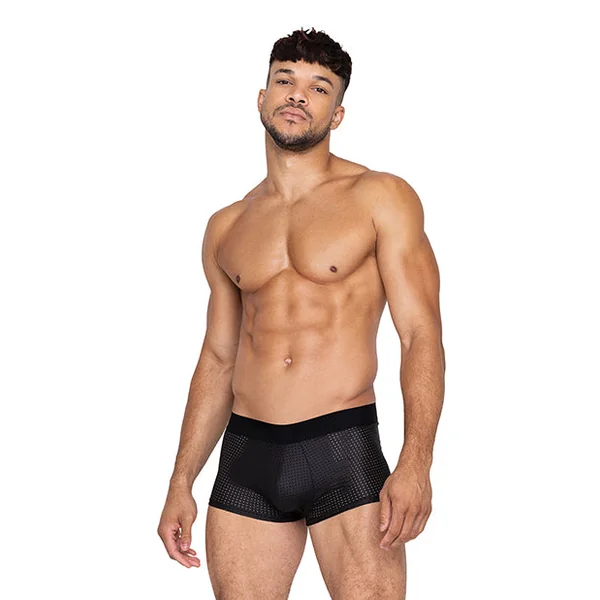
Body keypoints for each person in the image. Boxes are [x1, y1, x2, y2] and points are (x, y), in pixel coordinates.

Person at [158, 26, 445, 599]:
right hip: (246, 456)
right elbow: (218, 357)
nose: (297, 94)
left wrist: (416, 462)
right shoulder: (227, 226)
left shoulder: (380, 197)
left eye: (318, 87)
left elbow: (420, 334)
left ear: (337, 114)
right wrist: (181, 479)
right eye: (285, 80)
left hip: (342, 447)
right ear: (261, 97)